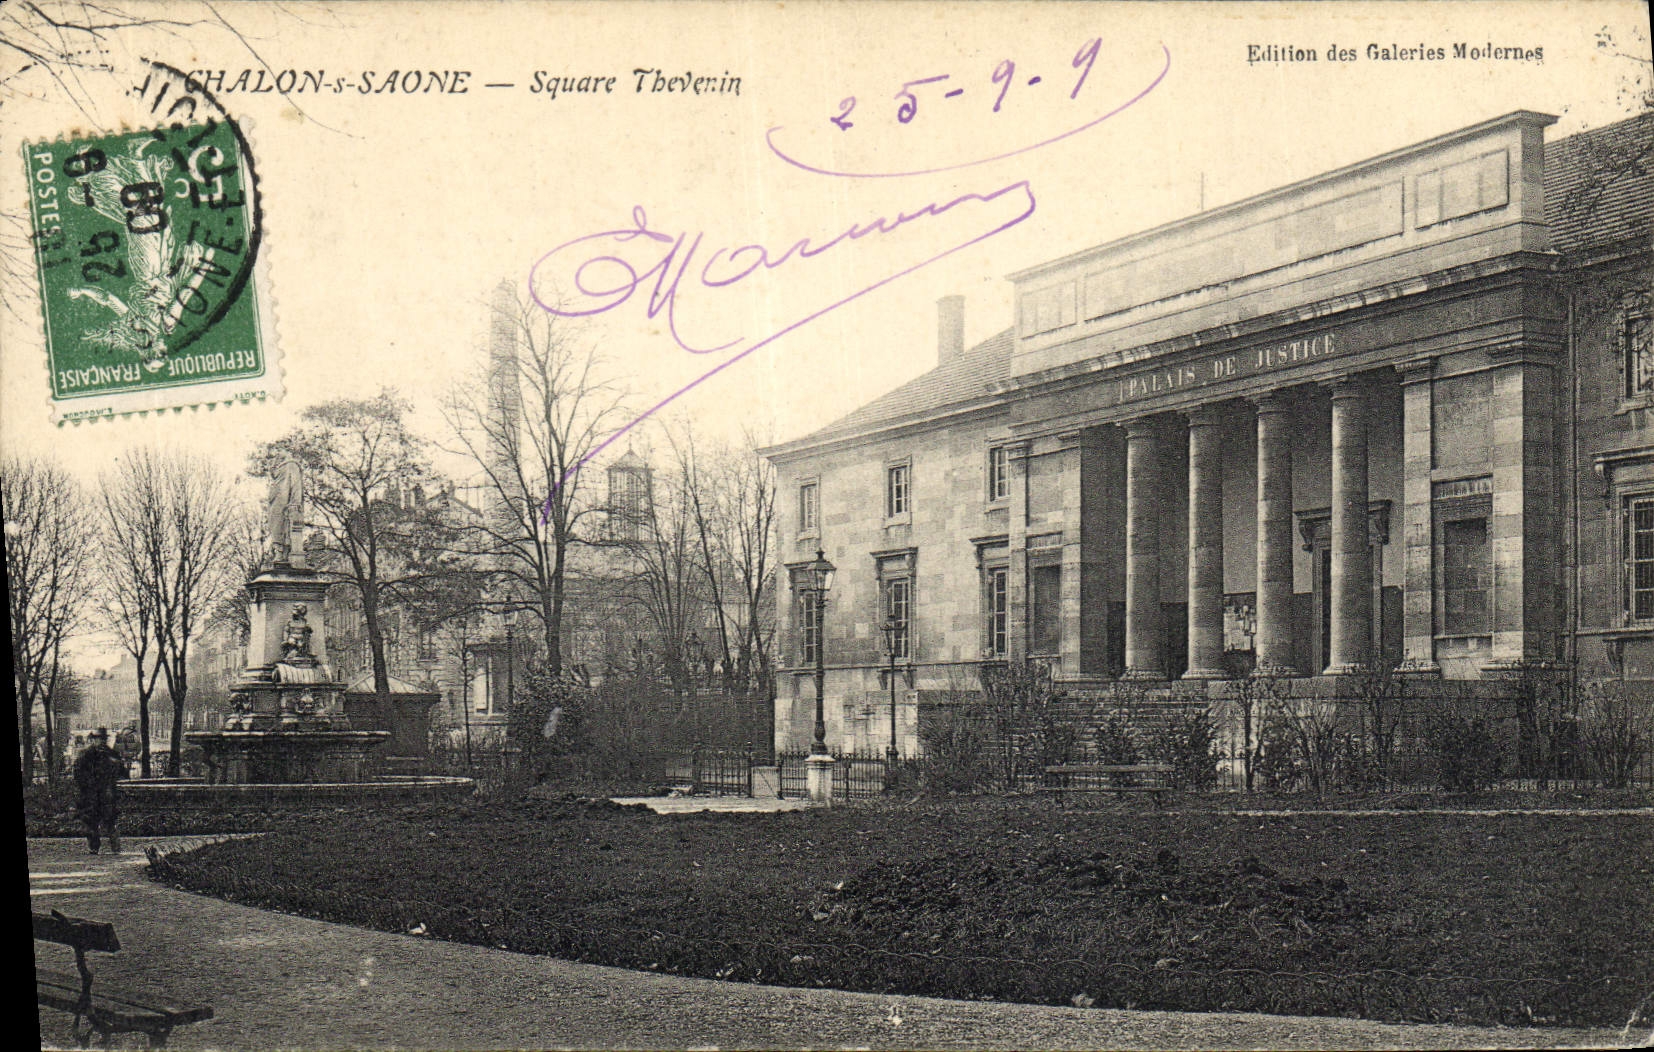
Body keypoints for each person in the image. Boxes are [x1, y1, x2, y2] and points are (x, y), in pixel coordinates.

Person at [73, 728, 125, 855]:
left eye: (103, 739)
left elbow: (122, 772)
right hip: (91, 794)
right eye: (98, 739)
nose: (101, 741)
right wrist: (86, 785)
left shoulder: (112, 754)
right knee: (91, 821)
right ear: (93, 740)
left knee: (111, 820)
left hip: (107, 793)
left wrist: (115, 766)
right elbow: (78, 773)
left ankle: (115, 847)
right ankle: (94, 847)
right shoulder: (86, 755)